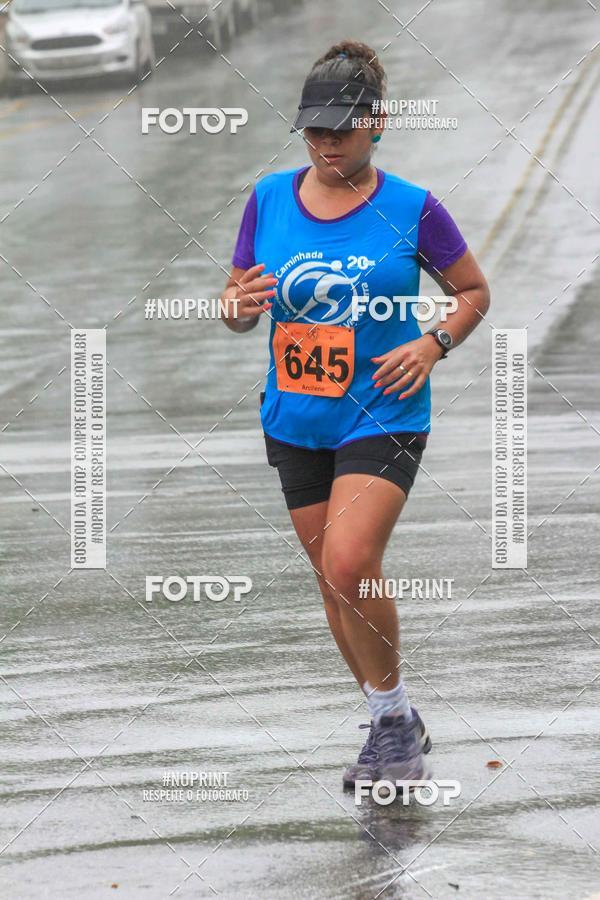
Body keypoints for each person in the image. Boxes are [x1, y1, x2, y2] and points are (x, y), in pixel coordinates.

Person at [221, 40, 490, 790]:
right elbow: (237, 301)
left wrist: (434, 343)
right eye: (313, 131)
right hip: (295, 419)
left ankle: (394, 726)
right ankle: (389, 720)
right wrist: (236, 306)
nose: (326, 144)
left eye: (340, 130)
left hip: (385, 411)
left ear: (377, 124)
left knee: (349, 562)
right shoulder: (268, 199)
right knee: (333, 581)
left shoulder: (413, 207)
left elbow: (473, 292)